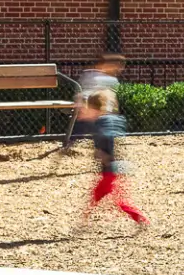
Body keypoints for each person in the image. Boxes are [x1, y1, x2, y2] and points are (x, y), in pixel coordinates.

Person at [81, 89, 147, 229]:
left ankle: (141, 220)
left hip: (110, 170)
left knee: (118, 201)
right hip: (120, 166)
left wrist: (102, 153)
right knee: (102, 196)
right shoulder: (113, 119)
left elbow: (104, 137)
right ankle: (84, 220)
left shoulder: (99, 123)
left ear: (92, 108)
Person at [60, 53, 125, 156]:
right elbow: (83, 92)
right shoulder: (94, 76)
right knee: (89, 128)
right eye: (117, 66)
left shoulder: (97, 76)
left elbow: (109, 98)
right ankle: (71, 144)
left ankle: (103, 152)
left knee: (98, 130)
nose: (119, 69)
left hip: (99, 111)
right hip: (92, 108)